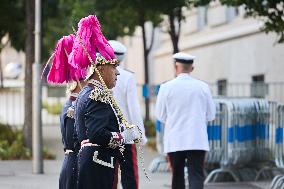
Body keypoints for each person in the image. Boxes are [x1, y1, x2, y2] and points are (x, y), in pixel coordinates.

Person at [70, 15, 141, 189]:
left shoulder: (87, 92)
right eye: (113, 67)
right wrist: (123, 136)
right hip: (99, 163)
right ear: (100, 69)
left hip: (92, 161)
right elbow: (96, 134)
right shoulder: (97, 95)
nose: (117, 73)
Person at [155, 52, 216, 189]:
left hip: (175, 139)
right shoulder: (203, 87)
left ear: (176, 67)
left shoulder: (166, 87)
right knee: (196, 175)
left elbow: (160, 115)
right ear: (192, 68)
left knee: (177, 175)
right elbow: (211, 115)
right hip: (197, 139)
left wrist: (173, 120)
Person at [44, 34, 86, 189]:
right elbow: (71, 140)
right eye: (85, 82)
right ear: (75, 85)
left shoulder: (76, 104)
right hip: (74, 164)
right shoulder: (71, 107)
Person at [109, 40, 147, 189]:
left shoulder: (98, 73)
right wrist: (140, 135)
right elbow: (134, 109)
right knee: (129, 176)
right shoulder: (128, 77)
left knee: (109, 175)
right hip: (126, 135)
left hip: (107, 133)